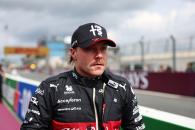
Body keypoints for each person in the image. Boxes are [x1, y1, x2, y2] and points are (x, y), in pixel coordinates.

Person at [21, 23, 145, 130]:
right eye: (91, 49)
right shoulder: (50, 88)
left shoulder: (121, 86)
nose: (99, 55)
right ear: (74, 53)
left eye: (103, 49)